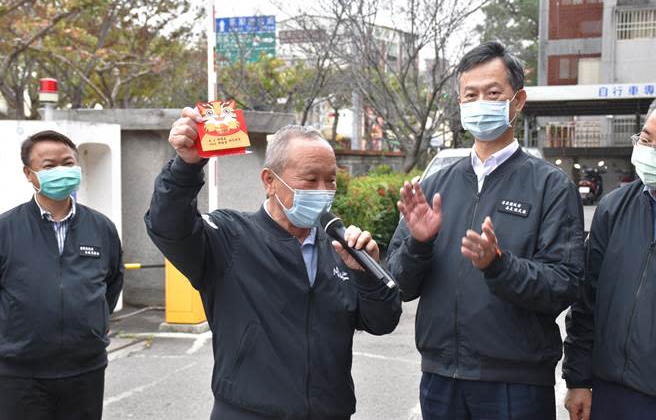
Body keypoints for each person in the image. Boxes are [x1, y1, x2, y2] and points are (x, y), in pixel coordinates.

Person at [144, 118, 401, 419]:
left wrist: (365, 276)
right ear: (269, 180)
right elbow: (167, 225)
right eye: (310, 179)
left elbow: (382, 322)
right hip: (247, 411)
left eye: (330, 180)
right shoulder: (230, 237)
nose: (322, 190)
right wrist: (185, 168)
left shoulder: (339, 246)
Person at [386, 41, 585, 420]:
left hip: (517, 383)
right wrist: (419, 243)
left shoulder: (550, 186)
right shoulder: (434, 186)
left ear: (518, 100)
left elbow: (565, 283)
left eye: (493, 93)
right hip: (441, 378)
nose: (481, 102)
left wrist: (498, 265)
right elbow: (399, 284)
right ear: (460, 103)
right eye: (470, 94)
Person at [0, 130, 124, 420]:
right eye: (49, 166)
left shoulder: (101, 227)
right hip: (19, 373)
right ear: (29, 174)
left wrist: (94, 325)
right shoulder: (6, 229)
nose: (61, 171)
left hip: (85, 369)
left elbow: (112, 283)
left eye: (68, 163)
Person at [563, 102, 656, 420]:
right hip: (611, 392)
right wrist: (577, 379)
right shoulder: (613, 208)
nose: (651, 151)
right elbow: (585, 300)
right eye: (646, 140)